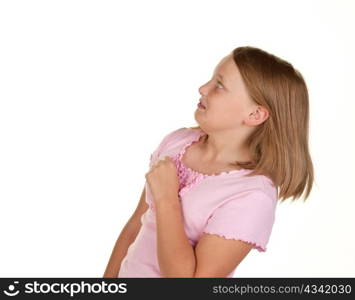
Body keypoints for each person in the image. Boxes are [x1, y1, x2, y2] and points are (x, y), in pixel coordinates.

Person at [103, 46, 314, 278]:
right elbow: (136, 225)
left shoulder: (252, 195)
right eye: (211, 80)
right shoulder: (177, 143)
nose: (203, 88)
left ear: (255, 115)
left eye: (220, 85)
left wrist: (167, 201)